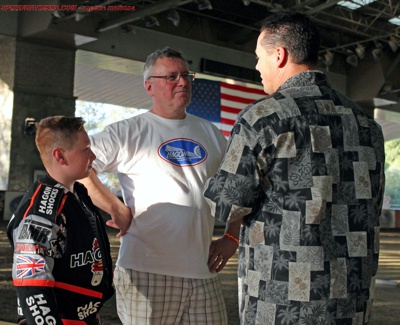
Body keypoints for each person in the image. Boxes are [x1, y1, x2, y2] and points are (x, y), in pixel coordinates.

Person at [203, 12, 385, 325]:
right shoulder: (366, 123)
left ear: (280, 55)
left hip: (283, 298)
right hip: (350, 297)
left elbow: (227, 203)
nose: (257, 67)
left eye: (259, 57)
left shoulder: (262, 119)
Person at [80, 47, 229, 324]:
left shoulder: (211, 133)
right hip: (146, 270)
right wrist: (116, 208)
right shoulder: (127, 132)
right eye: (171, 76)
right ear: (149, 85)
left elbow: (239, 187)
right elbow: (79, 167)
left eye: (186, 75)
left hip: (203, 272)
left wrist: (232, 236)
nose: (182, 82)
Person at [7, 116, 114, 324]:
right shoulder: (42, 208)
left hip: (84, 317)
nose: (93, 155)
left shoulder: (78, 195)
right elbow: (31, 279)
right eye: (86, 149)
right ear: (60, 156)